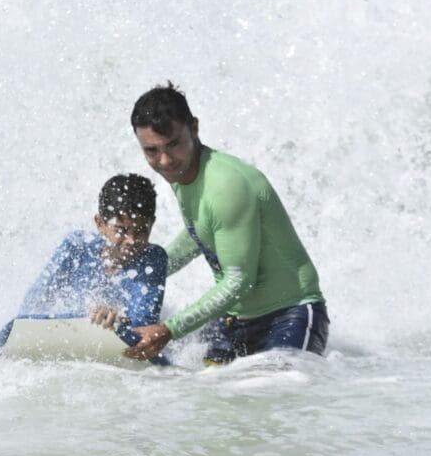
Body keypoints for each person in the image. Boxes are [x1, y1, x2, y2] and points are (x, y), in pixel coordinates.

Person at [124, 82, 329, 364]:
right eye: (151, 150)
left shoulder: (226, 185)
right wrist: (138, 272)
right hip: (235, 321)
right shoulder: (182, 172)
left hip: (290, 316)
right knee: (192, 391)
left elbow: (238, 282)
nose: (165, 160)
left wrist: (169, 329)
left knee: (278, 394)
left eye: (173, 144)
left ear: (194, 128)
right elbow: (202, 232)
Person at [0, 173, 169, 364]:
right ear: (100, 224)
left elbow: (143, 327)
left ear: (152, 223)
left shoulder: (153, 258)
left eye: (141, 231)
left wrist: (120, 319)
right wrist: (86, 314)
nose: (132, 241)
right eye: (122, 230)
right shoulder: (76, 246)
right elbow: (34, 303)